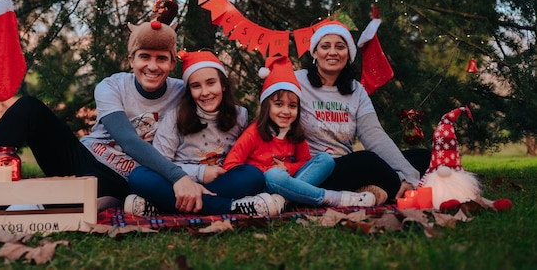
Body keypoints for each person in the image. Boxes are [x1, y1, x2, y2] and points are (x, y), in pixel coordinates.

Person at [0, 17, 209, 227]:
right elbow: (128, 140)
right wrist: (178, 177)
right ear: (131, 59)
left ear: (172, 63)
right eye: (145, 56)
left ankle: (94, 201)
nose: (152, 66)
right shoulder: (112, 86)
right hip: (82, 159)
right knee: (28, 107)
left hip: (130, 180)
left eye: (161, 58)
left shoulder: (184, 92)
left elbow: (220, 107)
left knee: (69, 206)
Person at [126, 50, 284, 217]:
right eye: (196, 86)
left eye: (210, 83)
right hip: (178, 182)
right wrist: (199, 173)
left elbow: (248, 155)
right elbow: (160, 163)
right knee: (139, 177)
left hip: (220, 183)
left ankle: (164, 205)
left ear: (223, 84)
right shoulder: (175, 117)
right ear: (189, 91)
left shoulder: (240, 116)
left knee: (253, 176)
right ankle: (232, 207)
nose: (205, 92)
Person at [294, 20, 430, 204]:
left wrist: (409, 174)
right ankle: (396, 186)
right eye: (325, 46)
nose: (333, 52)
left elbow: (374, 135)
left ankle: (387, 187)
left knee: (423, 157)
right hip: (315, 169)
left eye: (340, 47)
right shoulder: (297, 81)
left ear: (348, 53)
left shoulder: (356, 90)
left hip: (348, 166)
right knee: (366, 161)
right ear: (315, 52)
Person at [224, 55, 376, 208]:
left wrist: (288, 168)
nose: (285, 111)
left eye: (292, 106)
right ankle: (334, 198)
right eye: (278, 104)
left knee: (325, 160)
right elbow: (230, 165)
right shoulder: (254, 133)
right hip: (264, 184)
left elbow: (305, 161)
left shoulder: (294, 133)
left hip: (289, 182)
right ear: (266, 106)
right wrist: (266, 170)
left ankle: (283, 201)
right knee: (274, 175)